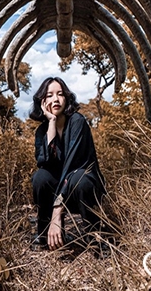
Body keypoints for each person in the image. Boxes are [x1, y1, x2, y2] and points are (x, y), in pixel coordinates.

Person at [29, 76, 106, 251]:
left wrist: (57, 209)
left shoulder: (77, 121)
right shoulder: (42, 131)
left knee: (80, 178)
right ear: (43, 101)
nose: (55, 99)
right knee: (40, 177)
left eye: (60, 94)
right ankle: (45, 233)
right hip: (59, 190)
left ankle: (95, 236)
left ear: (67, 98)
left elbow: (73, 165)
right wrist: (52, 122)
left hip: (81, 189)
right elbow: (44, 161)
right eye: (49, 95)